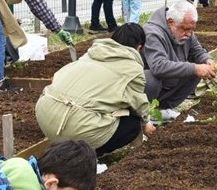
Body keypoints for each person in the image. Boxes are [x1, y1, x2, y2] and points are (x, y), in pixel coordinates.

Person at [36, 24, 155, 155]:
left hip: (45, 115)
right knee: (132, 124)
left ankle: (68, 147)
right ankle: (88, 157)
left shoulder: (91, 53)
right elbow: (138, 105)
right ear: (139, 47)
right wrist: (145, 123)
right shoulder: (133, 68)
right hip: (74, 126)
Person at [142, 0, 216, 119]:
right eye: (185, 29)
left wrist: (208, 60)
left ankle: (162, 109)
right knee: (150, 79)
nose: (189, 34)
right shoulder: (152, 33)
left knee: (197, 69)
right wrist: (195, 68)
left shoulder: (186, 30)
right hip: (143, 86)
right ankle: (144, 112)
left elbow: (197, 51)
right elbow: (158, 66)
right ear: (171, 22)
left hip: (166, 81)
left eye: (192, 29)